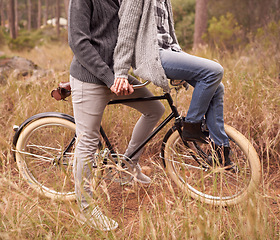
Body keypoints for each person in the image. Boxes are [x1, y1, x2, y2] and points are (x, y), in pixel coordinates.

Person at [68, 0, 165, 231]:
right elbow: (78, 43)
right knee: (88, 140)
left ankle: (127, 165)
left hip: (116, 76)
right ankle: (86, 209)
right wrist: (110, 79)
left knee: (155, 109)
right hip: (90, 78)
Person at [113, 0, 234, 167]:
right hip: (152, 57)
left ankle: (220, 151)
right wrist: (121, 71)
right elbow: (126, 31)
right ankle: (192, 126)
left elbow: (168, 36)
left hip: (169, 52)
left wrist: (182, 65)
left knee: (217, 88)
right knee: (214, 71)